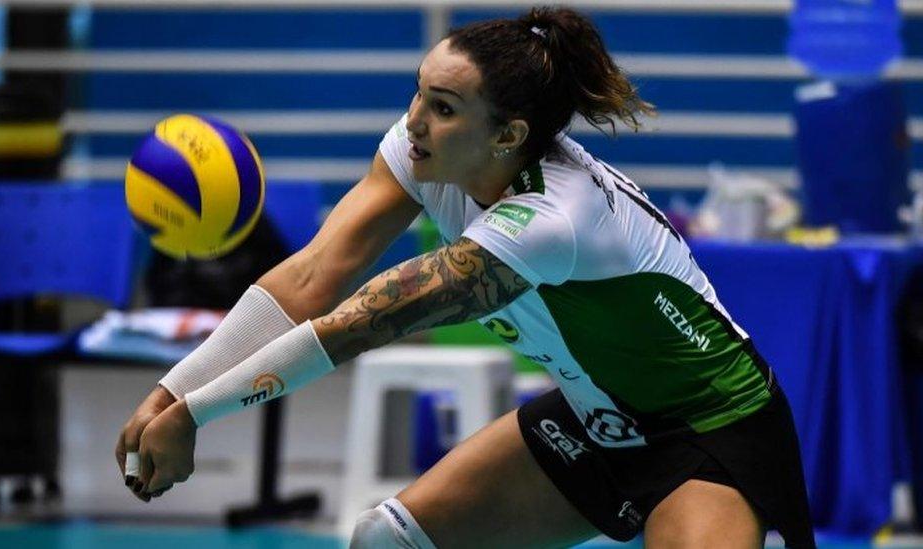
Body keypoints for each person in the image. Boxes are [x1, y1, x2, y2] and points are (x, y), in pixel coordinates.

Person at [115, 7, 815, 548]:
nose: (415, 121)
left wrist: (194, 414)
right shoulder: (427, 154)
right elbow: (313, 272)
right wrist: (169, 390)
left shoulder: (550, 218)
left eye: (444, 108)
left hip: (709, 426)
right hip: (594, 416)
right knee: (388, 539)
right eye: (418, 94)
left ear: (507, 136)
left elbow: (355, 323)